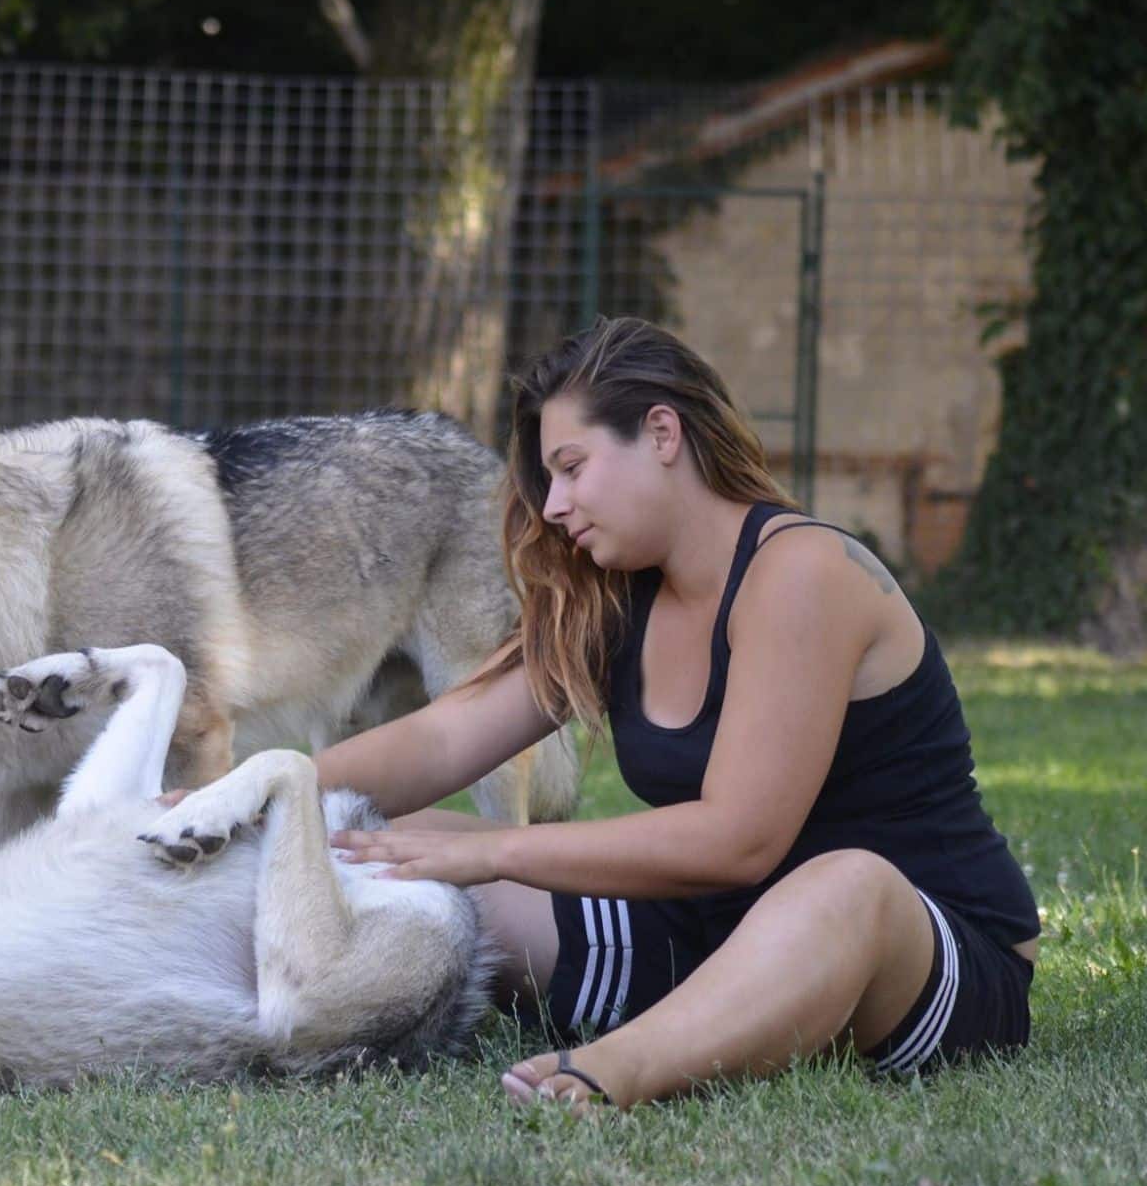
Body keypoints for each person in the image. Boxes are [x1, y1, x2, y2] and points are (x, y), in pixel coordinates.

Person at [318, 316, 1040, 1110]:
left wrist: (501, 851)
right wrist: (262, 789)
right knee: (368, 838)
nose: (555, 505)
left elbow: (738, 840)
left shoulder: (802, 571)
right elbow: (445, 736)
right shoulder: (618, 596)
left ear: (661, 432)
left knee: (849, 884)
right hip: (705, 938)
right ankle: (266, 995)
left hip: (921, 957)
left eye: (571, 467)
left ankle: (613, 1071)